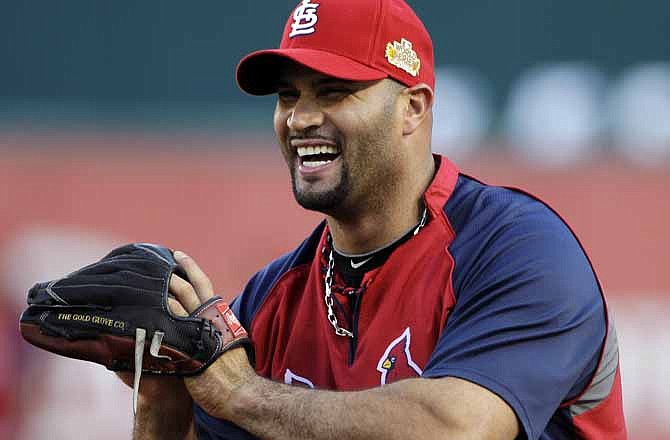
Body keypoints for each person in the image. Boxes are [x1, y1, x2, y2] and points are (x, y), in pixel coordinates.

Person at [131, 0, 627, 438]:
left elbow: (458, 429)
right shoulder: (273, 298)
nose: (300, 118)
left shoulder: (518, 250)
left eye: (332, 92)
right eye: (288, 96)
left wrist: (242, 394)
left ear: (412, 108)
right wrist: (161, 400)